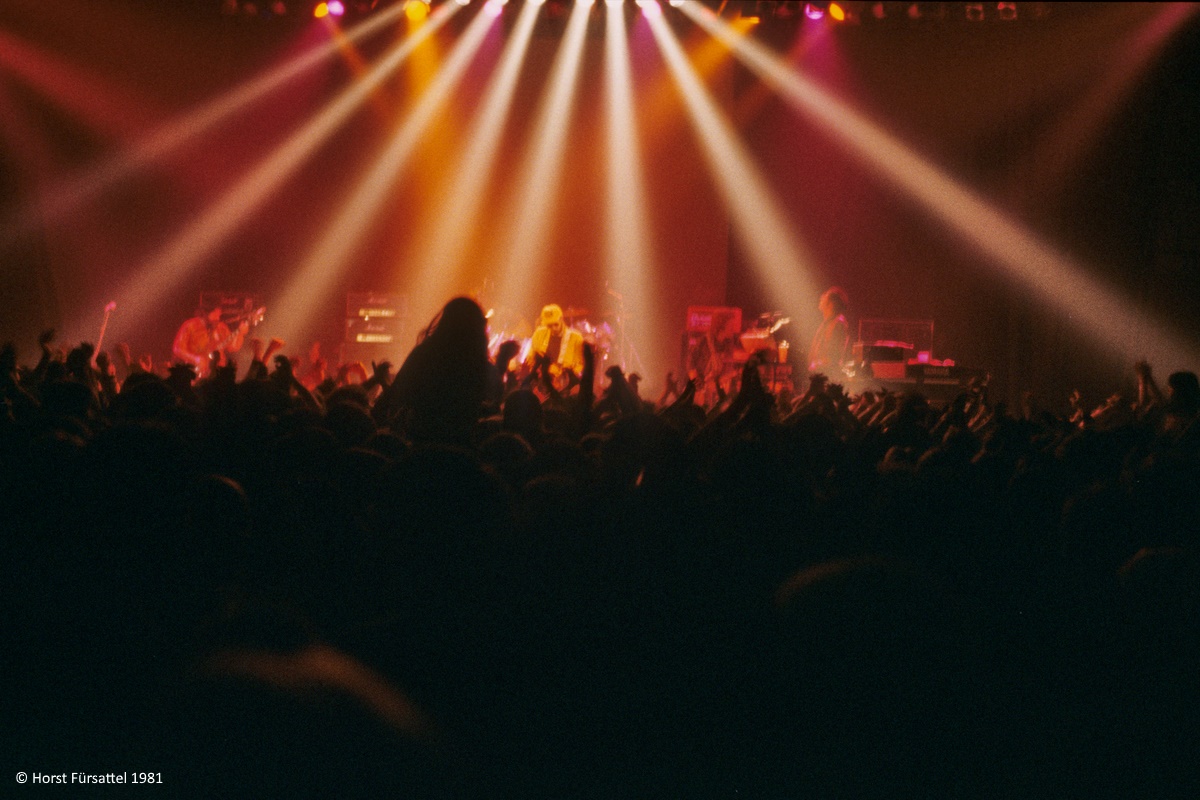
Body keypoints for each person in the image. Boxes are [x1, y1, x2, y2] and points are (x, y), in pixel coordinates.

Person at [172, 306, 249, 378]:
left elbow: (233, 347)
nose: (218, 319)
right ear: (205, 314)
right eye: (215, 315)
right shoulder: (190, 325)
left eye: (219, 316)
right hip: (195, 374)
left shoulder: (221, 327)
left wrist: (240, 334)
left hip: (217, 374)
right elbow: (177, 348)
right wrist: (196, 359)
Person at [526, 304, 585, 390]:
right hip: (542, 382)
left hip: (565, 384)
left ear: (561, 319)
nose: (553, 328)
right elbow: (531, 357)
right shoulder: (539, 333)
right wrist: (540, 370)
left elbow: (580, 364)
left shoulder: (576, 337)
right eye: (549, 325)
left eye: (556, 324)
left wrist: (564, 373)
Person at [807, 286, 850, 375]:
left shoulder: (838, 324)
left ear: (831, 304)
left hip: (828, 374)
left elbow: (834, 355)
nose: (821, 298)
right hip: (821, 372)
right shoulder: (827, 323)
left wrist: (818, 364)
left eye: (824, 298)